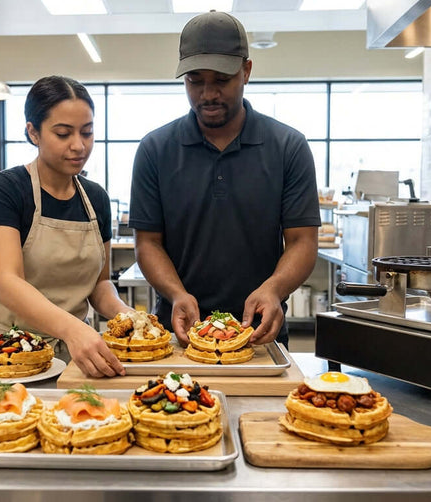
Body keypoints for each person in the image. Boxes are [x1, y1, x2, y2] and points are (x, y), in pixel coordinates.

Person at [129, 11, 321, 348]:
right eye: (195, 81)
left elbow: (302, 241)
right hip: (179, 333)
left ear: (246, 71)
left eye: (221, 79)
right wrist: (177, 294)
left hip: (262, 332)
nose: (208, 94)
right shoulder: (155, 149)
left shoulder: (288, 147)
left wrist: (273, 288)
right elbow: (148, 242)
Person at [0, 75, 130, 378]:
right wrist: (73, 328)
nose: (79, 146)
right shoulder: (4, 190)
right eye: (63, 133)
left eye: (87, 132)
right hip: (5, 354)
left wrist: (127, 316)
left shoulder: (95, 198)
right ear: (33, 132)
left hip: (72, 356)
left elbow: (99, 283)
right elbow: (8, 283)